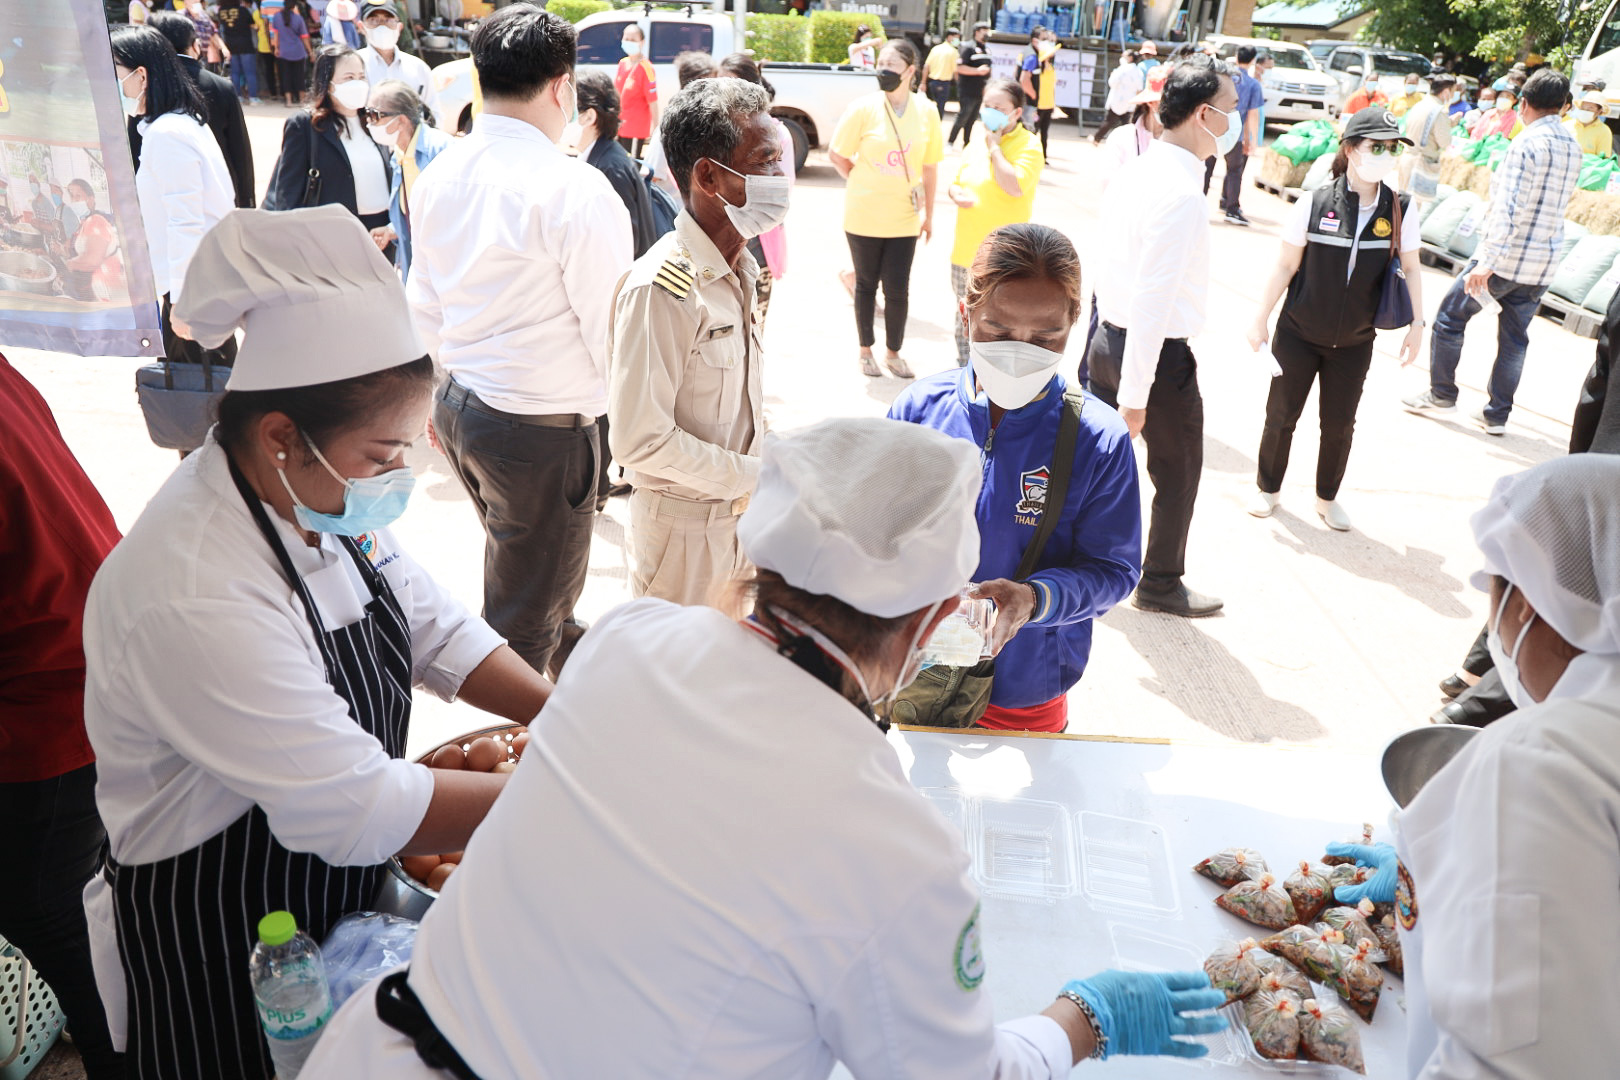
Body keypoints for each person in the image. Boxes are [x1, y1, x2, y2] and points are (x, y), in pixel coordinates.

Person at [300, 415, 1226, 1080]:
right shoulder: (897, 849)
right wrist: (1080, 1020)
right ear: (935, 621)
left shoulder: (628, 639)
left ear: (761, 558)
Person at [82, 206, 553, 1080]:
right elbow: (353, 805)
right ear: (281, 437)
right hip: (218, 923)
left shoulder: (313, 497)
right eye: (383, 455)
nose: (398, 477)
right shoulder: (195, 589)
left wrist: (561, 716)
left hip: (330, 891)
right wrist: (565, 790)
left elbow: (434, 624)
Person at [1321, 454, 1620, 1077]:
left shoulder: (1544, 760)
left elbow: (1509, 1059)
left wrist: (1442, 884)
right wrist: (1435, 882)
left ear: (1524, 603)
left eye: (1494, 588)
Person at [410, 4, 632, 679]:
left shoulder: (442, 170)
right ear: (563, 86)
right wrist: (637, 433)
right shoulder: (574, 187)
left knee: (530, 577)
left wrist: (430, 396)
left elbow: (423, 299)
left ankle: (558, 687)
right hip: (540, 431)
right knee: (525, 616)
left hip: (463, 409)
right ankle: (517, 735)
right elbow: (611, 333)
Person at [890, 225, 1141, 732]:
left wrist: (1035, 599)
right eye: (999, 331)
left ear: (1073, 323)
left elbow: (1114, 571)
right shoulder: (918, 409)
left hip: (1025, 691)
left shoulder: (1098, 438)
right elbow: (875, 533)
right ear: (966, 313)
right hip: (912, 672)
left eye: (1046, 338)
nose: (1020, 350)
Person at [608, 78, 782, 606]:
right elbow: (640, 441)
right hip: (682, 537)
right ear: (709, 176)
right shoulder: (663, 288)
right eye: (765, 161)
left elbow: (737, 409)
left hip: (740, 520)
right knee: (676, 658)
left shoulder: (742, 270)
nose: (781, 178)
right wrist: (758, 475)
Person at [1, 356, 125, 1080]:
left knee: (48, 911)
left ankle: (130, 1056)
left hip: (47, 704)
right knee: (83, 891)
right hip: (90, 656)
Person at [1083, 54, 1239, 618]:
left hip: (1108, 339)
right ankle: (1160, 583)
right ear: (1203, 115)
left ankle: (1076, 562)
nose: (1236, 119)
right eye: (1230, 108)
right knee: (1177, 475)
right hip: (1153, 357)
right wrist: (1135, 395)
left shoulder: (1140, 168)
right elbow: (1154, 300)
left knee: (1092, 468)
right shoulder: (1179, 192)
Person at [1246, 108, 1425, 533]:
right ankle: (1268, 489)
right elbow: (1286, 265)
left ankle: (1326, 498)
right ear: (1351, 149)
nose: (1385, 155)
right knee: (1280, 416)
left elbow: (1412, 267)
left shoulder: (1400, 208)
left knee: (1340, 425)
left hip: (1355, 341)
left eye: (1392, 148)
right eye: (1376, 147)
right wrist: (1260, 318)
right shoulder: (1315, 201)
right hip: (1298, 333)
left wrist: (1418, 325)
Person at [1404, 69, 1580, 436]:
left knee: (1450, 318)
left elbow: (1508, 209)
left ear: (1523, 104)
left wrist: (1487, 262)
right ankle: (1497, 414)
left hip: (1505, 260)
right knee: (1514, 338)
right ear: (1563, 106)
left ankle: (1442, 394)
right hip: (1542, 263)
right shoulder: (1572, 144)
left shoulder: (1526, 143)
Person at [111, 25, 236, 433]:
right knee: (206, 402)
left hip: (192, 290)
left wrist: (181, 301)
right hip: (201, 283)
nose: (112, 85)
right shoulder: (178, 125)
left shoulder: (167, 134)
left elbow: (186, 221)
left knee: (196, 406)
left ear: (142, 75)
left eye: (115, 72)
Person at [830, 38, 943, 380]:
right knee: (866, 285)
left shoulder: (927, 111)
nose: (883, 70)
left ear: (910, 71)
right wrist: (861, 180)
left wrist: (929, 216)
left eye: (891, 65)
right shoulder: (863, 108)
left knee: (897, 289)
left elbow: (930, 167)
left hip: (904, 216)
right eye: (881, 63)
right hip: (863, 214)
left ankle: (893, 352)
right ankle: (865, 351)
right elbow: (837, 153)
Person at [945, 78, 1044, 366]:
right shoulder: (977, 140)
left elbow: (1014, 186)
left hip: (1003, 257)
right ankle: (966, 375)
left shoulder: (1029, 145)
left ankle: (993, 381)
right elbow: (957, 180)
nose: (990, 112)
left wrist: (995, 148)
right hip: (966, 252)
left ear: (1016, 112)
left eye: (998, 108)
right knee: (966, 319)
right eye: (987, 105)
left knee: (999, 324)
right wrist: (954, 192)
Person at [264, 43, 394, 250]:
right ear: (328, 84)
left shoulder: (374, 121)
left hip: (381, 236)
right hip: (330, 239)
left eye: (361, 77)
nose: (358, 84)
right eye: (348, 78)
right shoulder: (305, 126)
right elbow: (288, 193)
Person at [140, 11, 256, 209]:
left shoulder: (144, 88)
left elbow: (136, 148)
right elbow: (239, 150)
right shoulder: (221, 86)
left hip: (162, 199)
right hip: (220, 194)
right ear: (195, 45)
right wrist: (247, 201)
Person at [717, 51, 796, 328]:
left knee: (753, 325)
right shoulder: (713, 132)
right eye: (719, 85)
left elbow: (782, 189)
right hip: (718, 240)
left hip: (758, 242)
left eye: (731, 85)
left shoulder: (777, 134)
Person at [365, 79, 449, 280]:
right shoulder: (398, 157)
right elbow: (413, 214)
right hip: (418, 266)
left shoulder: (441, 150)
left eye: (374, 115)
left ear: (401, 120)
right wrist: (392, 230)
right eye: (366, 114)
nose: (368, 122)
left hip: (445, 264)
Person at [575, 71, 658, 258]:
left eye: (568, 108)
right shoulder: (602, 156)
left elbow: (626, 241)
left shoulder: (610, 168)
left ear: (589, 117)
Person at [645, 50, 718, 195]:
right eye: (710, 85)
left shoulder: (713, 126)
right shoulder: (669, 129)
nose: (715, 91)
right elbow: (650, 178)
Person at [1208, 44, 1261, 226]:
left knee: (1207, 169)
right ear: (1253, 60)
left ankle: (1199, 200)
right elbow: (1252, 115)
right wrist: (1251, 139)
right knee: (1234, 171)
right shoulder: (1253, 84)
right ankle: (1230, 207)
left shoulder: (1223, 78)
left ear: (1236, 57)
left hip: (1213, 131)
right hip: (1235, 134)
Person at [357, 0, 434, 113]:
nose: (382, 26)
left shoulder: (418, 68)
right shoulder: (354, 66)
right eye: (374, 20)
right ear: (361, 27)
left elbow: (434, 112)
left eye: (388, 20)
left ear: (399, 27)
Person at [59, 179, 126, 302]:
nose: (74, 200)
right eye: (72, 197)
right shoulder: (85, 222)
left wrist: (70, 264)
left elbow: (92, 261)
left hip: (106, 292)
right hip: (94, 292)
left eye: (78, 196)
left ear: (90, 199)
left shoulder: (96, 220)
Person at [1397, 73, 1455, 202]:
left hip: (1407, 159)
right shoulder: (1439, 111)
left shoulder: (1419, 104)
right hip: (1420, 165)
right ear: (1446, 92)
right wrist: (1449, 124)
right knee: (1412, 208)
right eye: (1453, 92)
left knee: (1400, 205)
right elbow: (1445, 142)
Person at [614, 22, 658, 157]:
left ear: (642, 42)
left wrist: (656, 130)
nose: (629, 42)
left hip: (635, 129)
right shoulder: (622, 63)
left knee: (632, 164)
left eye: (633, 40)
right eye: (626, 39)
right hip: (620, 127)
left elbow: (653, 101)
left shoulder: (646, 68)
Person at [949, 21, 992, 147]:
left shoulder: (986, 49)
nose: (987, 33)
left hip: (980, 90)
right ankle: (950, 142)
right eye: (984, 31)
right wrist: (977, 71)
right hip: (967, 90)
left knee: (972, 119)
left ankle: (966, 144)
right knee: (963, 116)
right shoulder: (968, 47)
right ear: (977, 32)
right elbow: (960, 68)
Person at [1019, 27, 1057, 160]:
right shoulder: (1032, 57)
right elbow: (1023, 79)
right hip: (1034, 104)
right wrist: (1034, 96)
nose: (1049, 43)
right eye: (1045, 39)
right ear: (1035, 40)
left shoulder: (1045, 62)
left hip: (1045, 104)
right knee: (1030, 132)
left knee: (1041, 132)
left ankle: (1040, 157)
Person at [216, 0, 260, 102]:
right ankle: (253, 97)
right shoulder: (243, 10)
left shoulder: (221, 11)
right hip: (245, 44)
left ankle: (238, 97)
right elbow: (253, 24)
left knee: (235, 73)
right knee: (250, 72)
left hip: (230, 45)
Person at [1095, 49, 1142, 142]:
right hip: (1130, 102)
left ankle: (1096, 139)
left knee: (1109, 121)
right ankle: (1130, 143)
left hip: (1117, 100)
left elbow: (1112, 82)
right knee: (1128, 125)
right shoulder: (1138, 71)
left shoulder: (1121, 69)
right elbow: (1139, 89)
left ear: (1130, 58)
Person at [271, 0, 311, 106]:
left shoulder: (276, 17)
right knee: (299, 76)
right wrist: (310, 51)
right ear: (294, 6)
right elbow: (304, 37)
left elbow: (276, 34)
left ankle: (289, 101)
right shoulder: (298, 18)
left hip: (283, 51)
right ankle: (302, 100)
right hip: (298, 51)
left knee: (286, 76)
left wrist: (276, 48)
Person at [924, 27, 959, 119]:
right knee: (940, 107)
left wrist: (923, 82)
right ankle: (937, 124)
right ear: (949, 37)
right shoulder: (953, 52)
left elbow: (926, 66)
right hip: (943, 84)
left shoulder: (935, 49)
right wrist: (959, 84)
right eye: (956, 37)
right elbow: (956, 71)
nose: (957, 40)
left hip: (932, 83)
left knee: (933, 105)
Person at [1564, 90, 1613, 155]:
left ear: (1599, 111)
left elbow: (1603, 157)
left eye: (1590, 108)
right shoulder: (1566, 125)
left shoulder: (1604, 131)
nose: (1585, 110)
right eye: (1582, 107)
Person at [254, 0, 281, 101]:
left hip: (265, 44)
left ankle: (273, 93)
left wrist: (269, 42)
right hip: (280, 42)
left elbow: (264, 26)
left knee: (269, 69)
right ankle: (283, 93)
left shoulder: (258, 11)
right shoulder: (281, 3)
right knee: (281, 68)